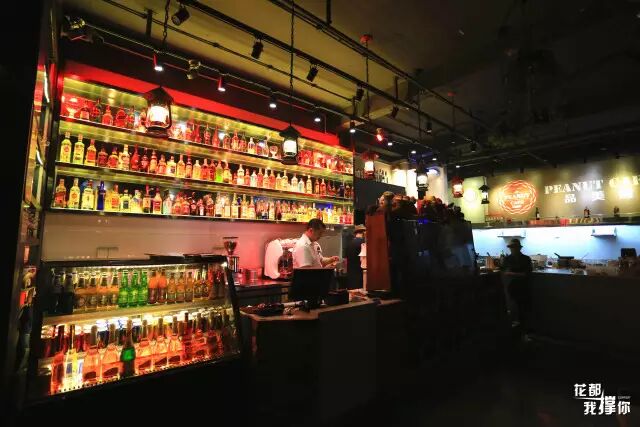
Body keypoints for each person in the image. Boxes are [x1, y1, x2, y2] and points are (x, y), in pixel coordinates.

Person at [501, 238, 533, 337]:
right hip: (512, 287)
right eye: (512, 247)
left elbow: (527, 273)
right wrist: (519, 274)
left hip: (523, 287)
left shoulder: (526, 259)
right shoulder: (507, 259)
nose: (513, 249)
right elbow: (504, 272)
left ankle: (523, 333)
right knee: (514, 309)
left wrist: (511, 273)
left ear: (519, 248)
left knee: (523, 310)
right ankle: (518, 333)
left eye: (515, 247)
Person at [345, 225, 366, 289]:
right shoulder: (363, 243)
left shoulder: (349, 244)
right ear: (363, 233)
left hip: (350, 277)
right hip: (360, 277)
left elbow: (346, 260)